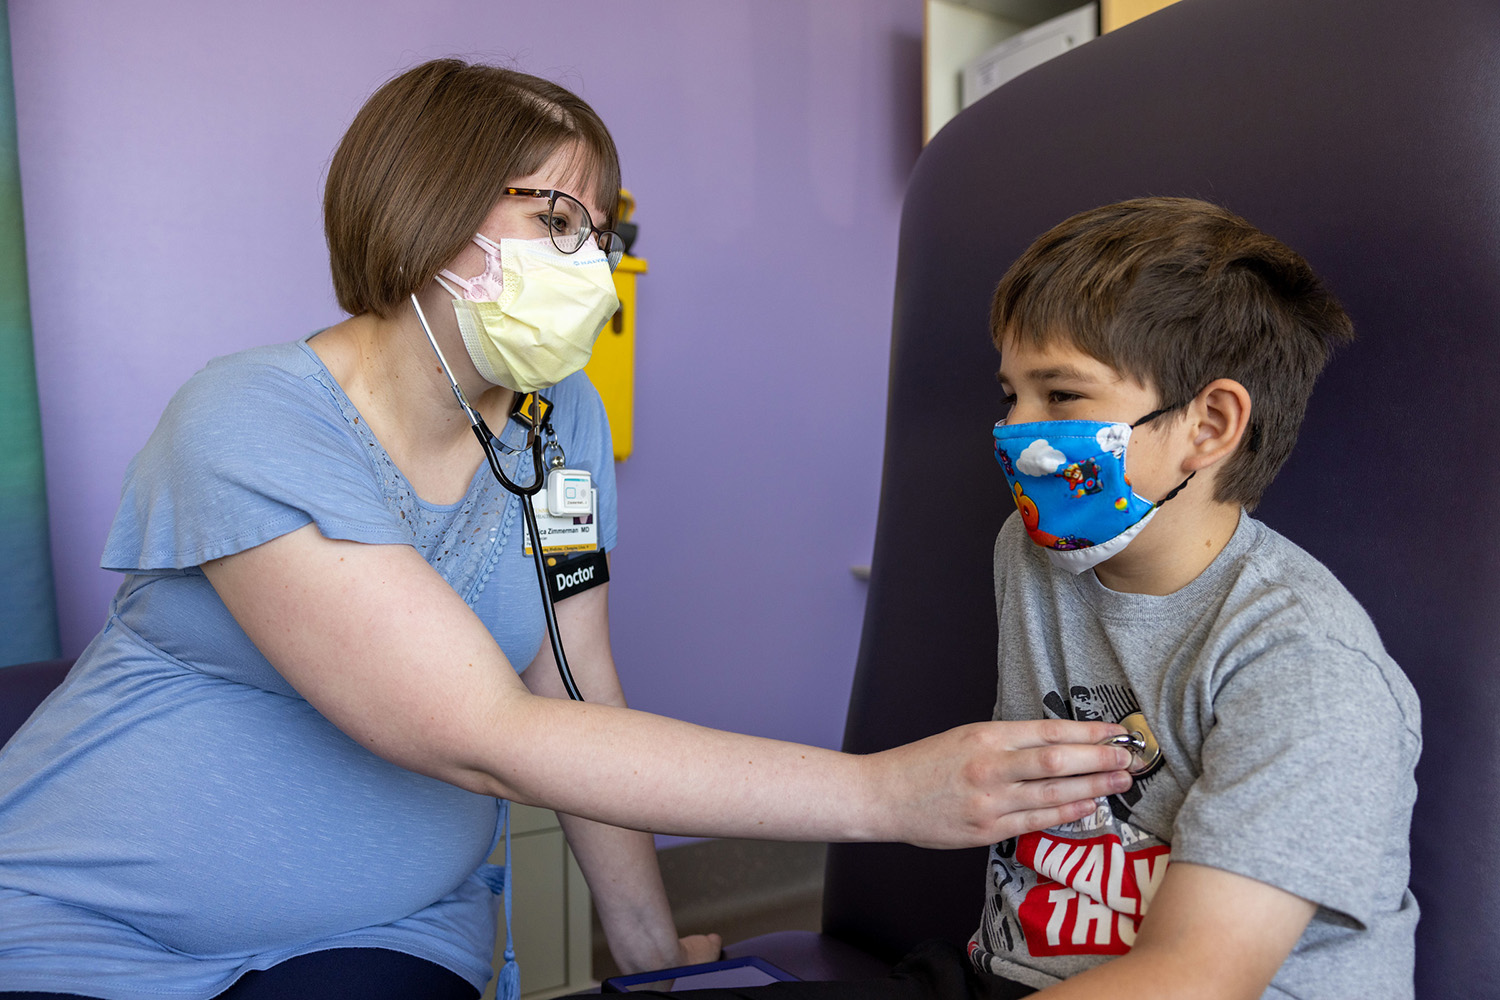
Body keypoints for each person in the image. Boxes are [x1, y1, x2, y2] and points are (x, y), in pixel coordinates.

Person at [0, 60, 1134, 1000]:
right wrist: (888, 795)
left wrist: (646, 952)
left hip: (384, 936)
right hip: (86, 924)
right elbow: (482, 731)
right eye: (554, 220)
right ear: (428, 214)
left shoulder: (558, 421)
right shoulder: (249, 414)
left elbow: (572, 680)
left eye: (603, 231)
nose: (592, 262)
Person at [616, 198, 1421, 1000]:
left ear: (1208, 424)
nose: (1016, 435)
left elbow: (1196, 978)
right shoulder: (1033, 553)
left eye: (1061, 397)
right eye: (1011, 397)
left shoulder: (1308, 667)